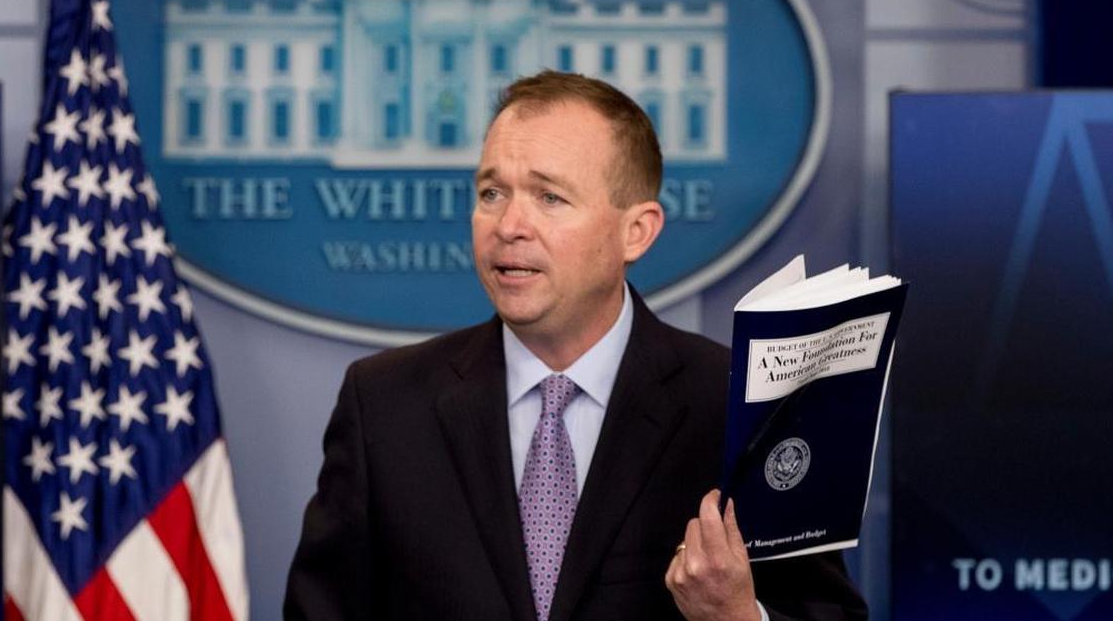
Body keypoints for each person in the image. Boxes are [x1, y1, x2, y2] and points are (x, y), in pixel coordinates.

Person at [284, 70, 867, 621]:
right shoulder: (384, 405)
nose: (508, 224)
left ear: (636, 231)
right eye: (491, 192)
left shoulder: (740, 408)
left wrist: (737, 617)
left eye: (549, 197)